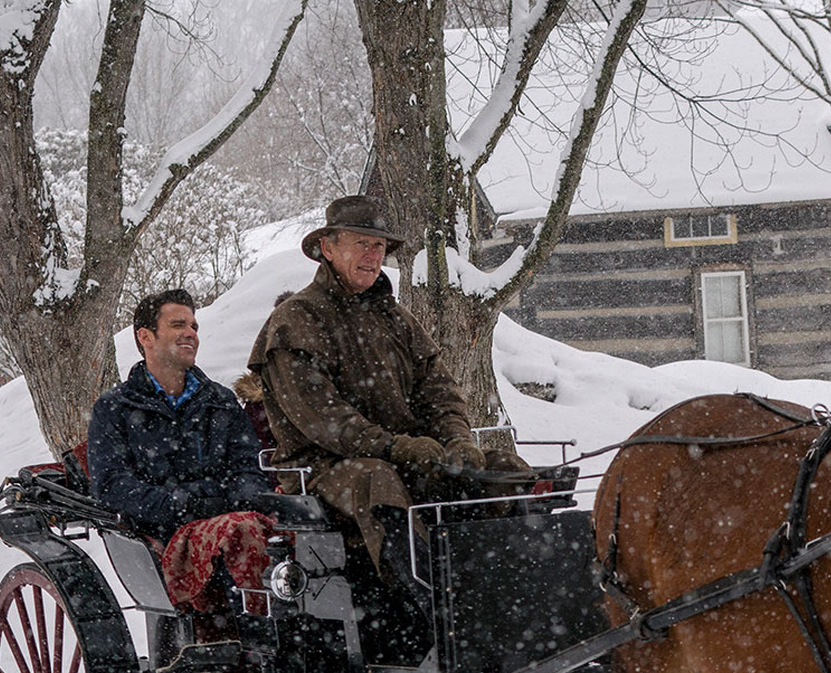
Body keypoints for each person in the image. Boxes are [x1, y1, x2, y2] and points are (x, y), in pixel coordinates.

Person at [246, 195, 529, 601]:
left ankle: (519, 591)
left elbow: (440, 391)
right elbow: (325, 419)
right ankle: (430, 605)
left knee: (503, 469)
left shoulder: (397, 318)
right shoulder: (296, 320)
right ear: (327, 248)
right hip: (323, 468)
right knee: (376, 481)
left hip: (410, 458)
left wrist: (458, 439)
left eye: (379, 246)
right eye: (360, 243)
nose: (372, 254)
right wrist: (396, 447)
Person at [88, 287, 274, 618]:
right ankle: (258, 636)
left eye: (194, 326)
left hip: (230, 521)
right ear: (145, 336)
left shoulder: (220, 401)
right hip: (162, 533)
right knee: (241, 531)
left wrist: (233, 499)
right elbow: (112, 485)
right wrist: (181, 504)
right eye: (178, 325)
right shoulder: (115, 408)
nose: (190, 333)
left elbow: (248, 468)